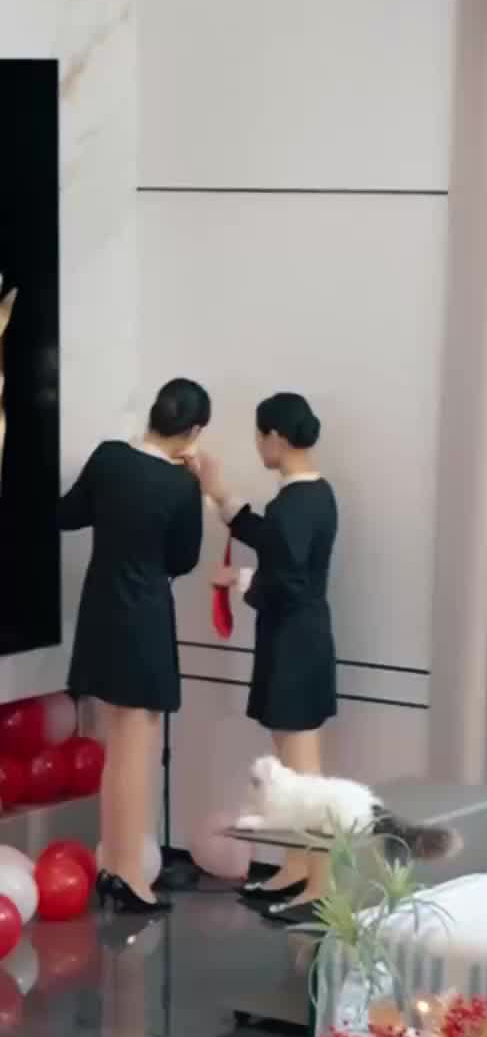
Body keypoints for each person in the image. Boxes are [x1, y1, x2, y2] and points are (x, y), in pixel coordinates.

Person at [61, 378, 211, 913]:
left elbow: (67, 514)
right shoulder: (181, 486)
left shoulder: (109, 458)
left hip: (100, 613)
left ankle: (113, 867)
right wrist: (191, 483)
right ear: (193, 431)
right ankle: (127, 876)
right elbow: (183, 560)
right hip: (144, 618)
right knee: (136, 752)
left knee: (116, 751)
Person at [197, 392, 338, 923]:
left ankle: (319, 886)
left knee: (303, 779)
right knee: (290, 772)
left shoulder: (297, 502)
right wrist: (221, 496)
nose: (258, 446)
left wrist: (240, 579)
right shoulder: (307, 495)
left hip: (296, 646)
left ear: (275, 437)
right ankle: (296, 870)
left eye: (259, 437)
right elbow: (274, 542)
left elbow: (289, 581)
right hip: (294, 642)